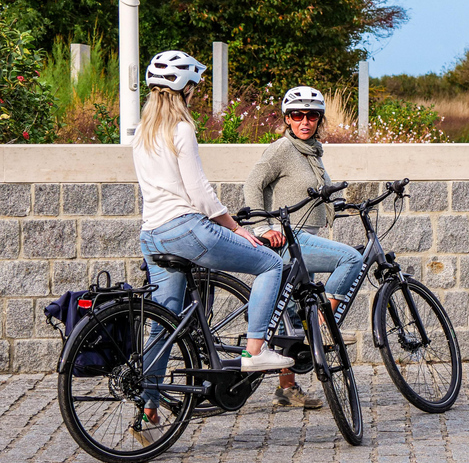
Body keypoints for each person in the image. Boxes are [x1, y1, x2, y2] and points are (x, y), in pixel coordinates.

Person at [133, 50, 294, 443]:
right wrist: (236, 227)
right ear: (184, 88)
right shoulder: (181, 129)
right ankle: (254, 351)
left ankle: (148, 408)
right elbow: (200, 193)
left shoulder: (142, 132)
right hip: (187, 229)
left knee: (162, 324)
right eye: (194, 87)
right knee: (270, 264)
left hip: (151, 234)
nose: (195, 93)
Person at [244, 86, 363, 409]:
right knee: (351, 259)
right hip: (289, 240)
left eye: (311, 116)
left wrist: (350, 206)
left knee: (289, 319)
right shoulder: (282, 149)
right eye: (298, 115)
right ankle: (324, 330)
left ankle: (287, 389)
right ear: (287, 119)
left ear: (319, 120)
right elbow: (252, 184)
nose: (305, 121)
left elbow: (321, 196)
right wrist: (263, 228)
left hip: (303, 242)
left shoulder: (312, 153)